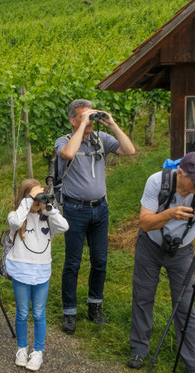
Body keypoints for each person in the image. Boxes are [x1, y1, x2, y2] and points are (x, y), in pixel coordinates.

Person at [127, 152, 195, 373]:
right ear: (181, 174)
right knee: (143, 297)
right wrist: (169, 214)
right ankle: (138, 351)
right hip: (151, 245)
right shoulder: (157, 181)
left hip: (183, 250)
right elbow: (144, 222)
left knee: (185, 305)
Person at [56, 99, 136, 334]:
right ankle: (69, 312)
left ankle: (95, 306)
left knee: (100, 261)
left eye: (92, 116)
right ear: (73, 120)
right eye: (84, 116)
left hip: (100, 209)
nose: (91, 120)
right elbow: (68, 153)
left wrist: (111, 124)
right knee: (73, 263)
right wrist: (81, 126)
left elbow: (129, 150)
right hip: (75, 210)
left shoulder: (101, 140)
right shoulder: (63, 141)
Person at [5, 179, 69, 371]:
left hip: (41, 272)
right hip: (21, 271)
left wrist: (50, 208)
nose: (37, 201)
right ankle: (22, 349)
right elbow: (15, 221)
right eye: (34, 197)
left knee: (39, 313)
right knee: (23, 312)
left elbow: (65, 226)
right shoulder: (16, 217)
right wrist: (27, 201)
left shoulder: (48, 219)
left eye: (40, 195)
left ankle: (38, 351)